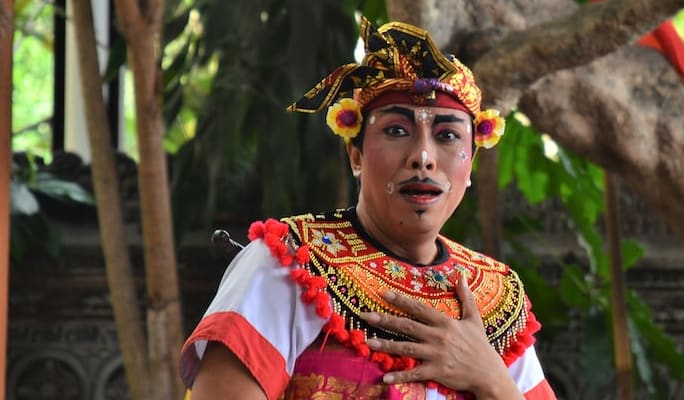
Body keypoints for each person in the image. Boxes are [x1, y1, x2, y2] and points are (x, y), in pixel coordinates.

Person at [179, 18, 556, 400]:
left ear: (471, 163)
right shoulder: (289, 264)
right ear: (355, 155)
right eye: (396, 130)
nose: (423, 157)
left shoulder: (494, 296)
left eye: (447, 136)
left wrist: (490, 376)